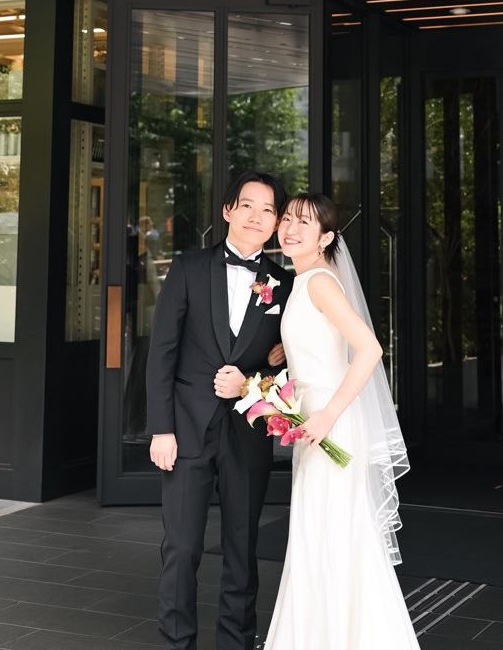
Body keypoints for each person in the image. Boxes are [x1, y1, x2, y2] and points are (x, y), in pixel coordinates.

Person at [264, 193, 418, 650]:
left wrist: (328, 414)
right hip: (315, 425)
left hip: (330, 424)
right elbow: (324, 345)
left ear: (326, 237)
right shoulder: (304, 281)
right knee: (323, 535)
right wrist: (286, 353)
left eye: (304, 223)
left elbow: (369, 349)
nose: (290, 229)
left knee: (328, 536)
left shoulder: (318, 283)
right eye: (287, 219)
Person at [147, 170, 292, 650]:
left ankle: (236, 643)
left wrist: (269, 368)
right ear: (228, 210)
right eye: (247, 205)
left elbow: (291, 365)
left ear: (276, 223)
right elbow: (162, 352)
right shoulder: (188, 267)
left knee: (242, 549)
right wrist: (161, 429)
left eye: (268, 210)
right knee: (181, 547)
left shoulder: (284, 283)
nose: (256, 217)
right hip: (186, 429)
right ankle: (177, 643)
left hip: (248, 433)